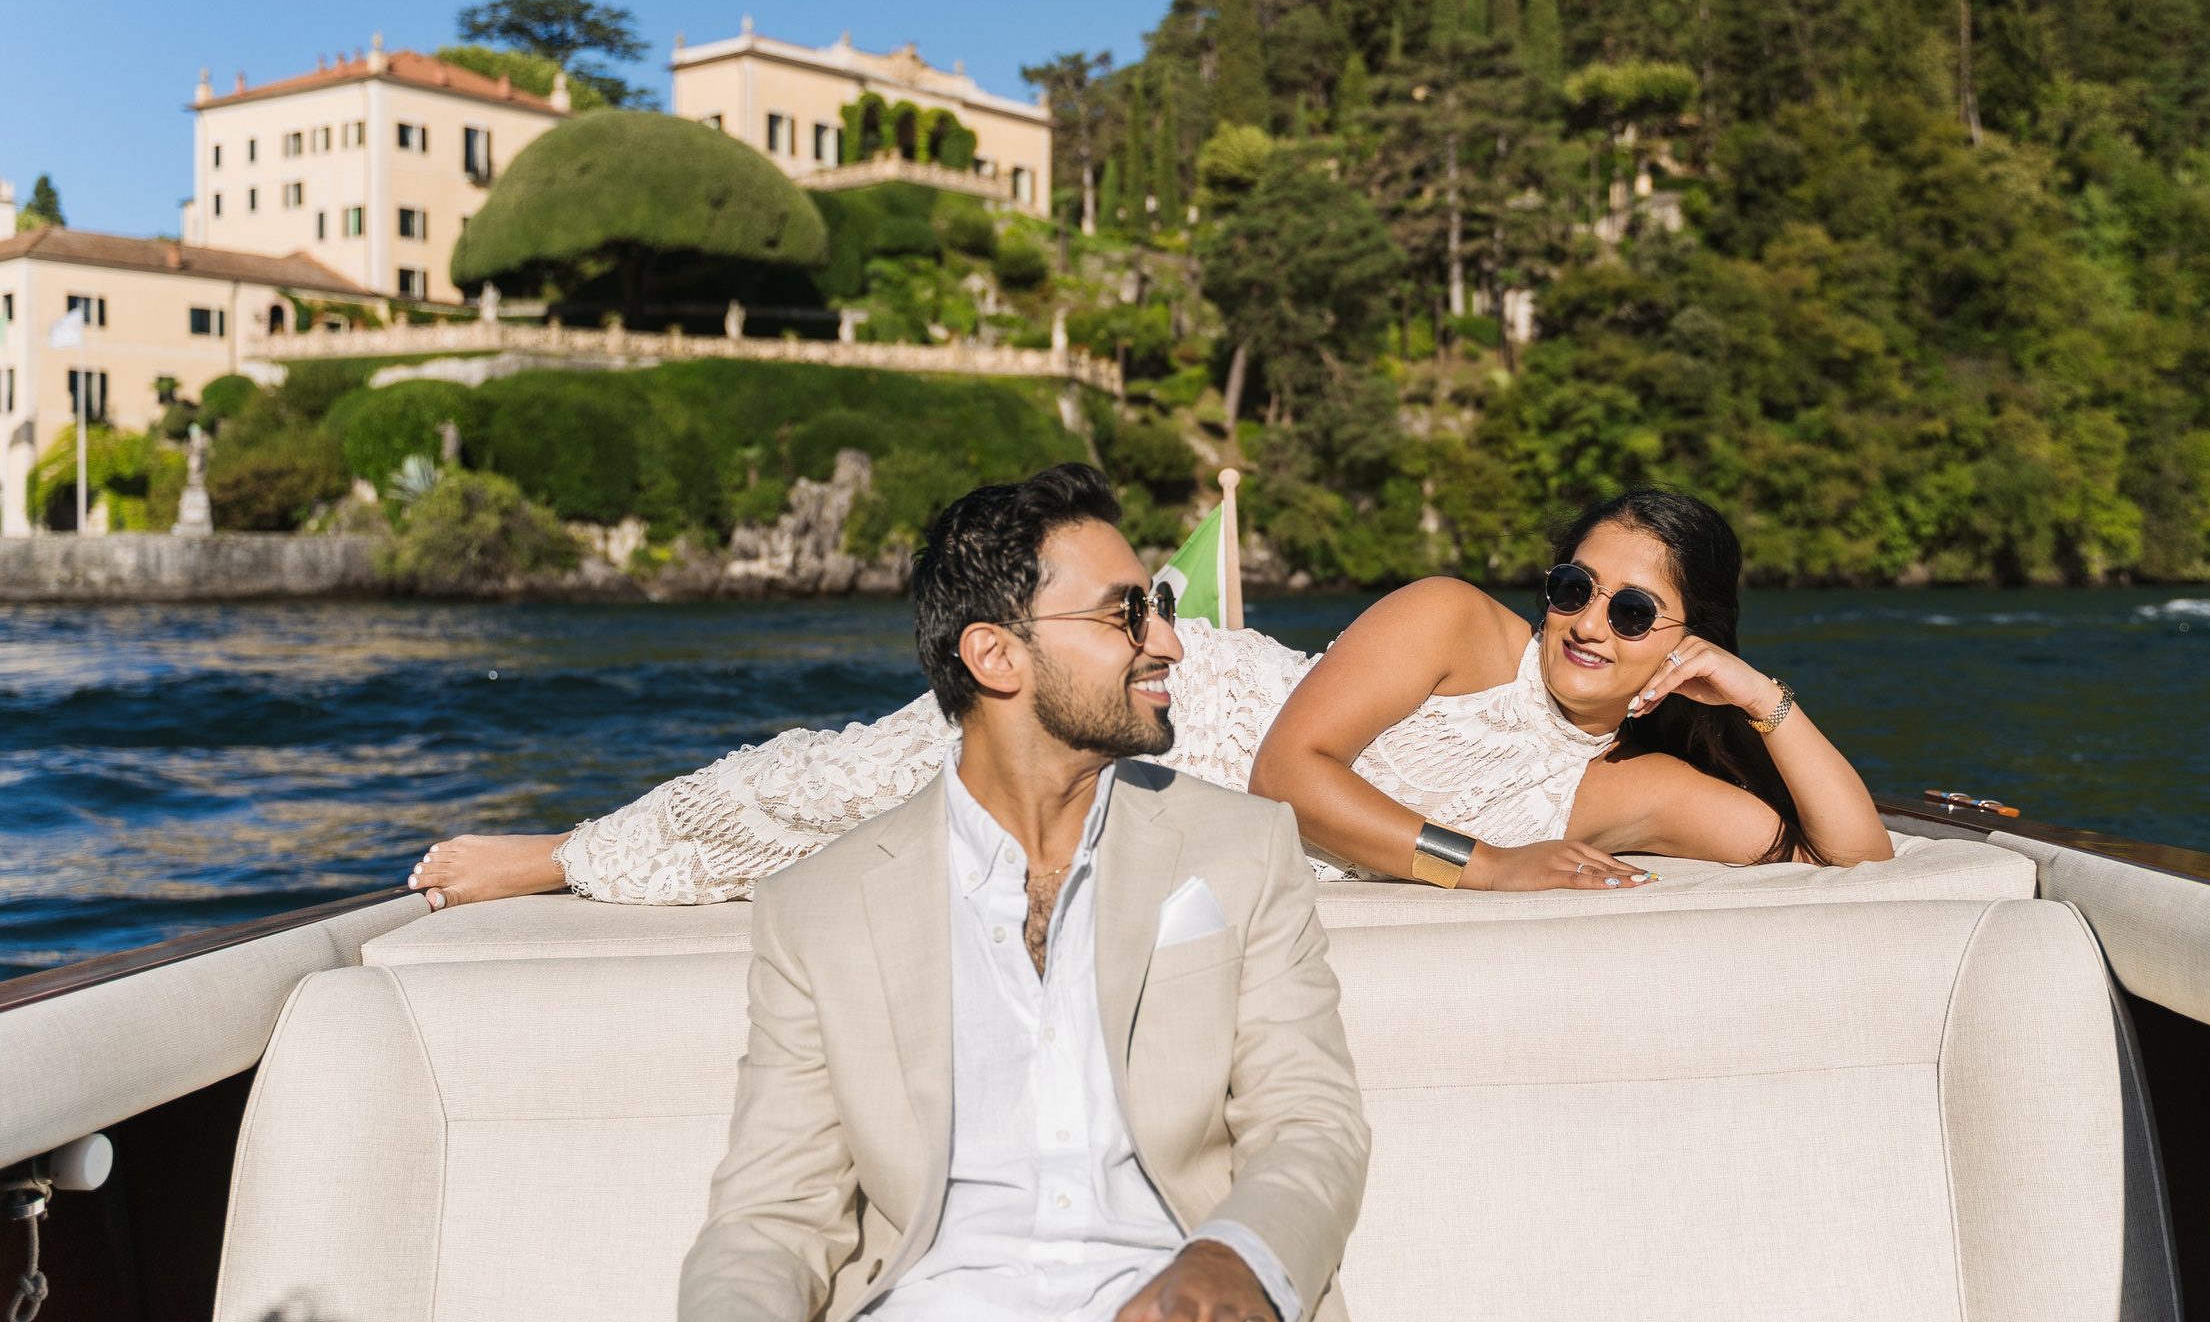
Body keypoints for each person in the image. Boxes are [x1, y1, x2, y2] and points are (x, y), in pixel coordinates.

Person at [653, 464, 1368, 1322]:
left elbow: (1311, 1124)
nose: (1169, 642)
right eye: (1127, 614)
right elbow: (773, 1213)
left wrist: (1234, 1259)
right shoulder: (817, 908)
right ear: (996, 657)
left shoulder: (1242, 847)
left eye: (1155, 603)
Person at [409, 480, 1888, 909]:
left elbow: (1848, 856)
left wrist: (1761, 699)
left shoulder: (1636, 777)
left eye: (1632, 610)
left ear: (1674, 652)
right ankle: (562, 853)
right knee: (872, 775)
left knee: (934, 866)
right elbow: (1304, 765)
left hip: (1221, 834)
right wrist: (1482, 861)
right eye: (1573, 581)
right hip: (1213, 717)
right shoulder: (1455, 620)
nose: (1583, 617)